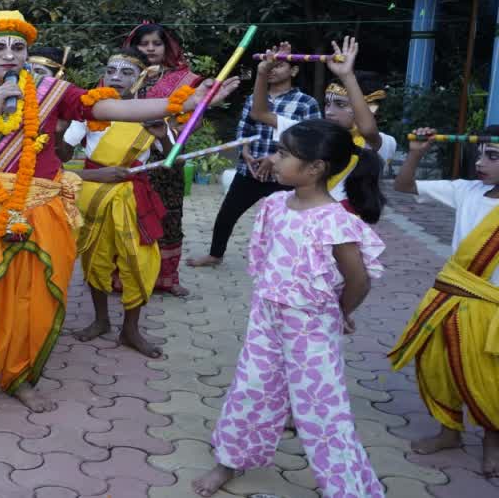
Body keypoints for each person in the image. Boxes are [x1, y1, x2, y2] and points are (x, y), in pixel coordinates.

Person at [0, 10, 239, 417]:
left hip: (42, 210)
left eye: (18, 47)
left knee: (34, 298)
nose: (8, 56)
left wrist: (186, 100)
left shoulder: (52, 90)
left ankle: (21, 376)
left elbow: (113, 111)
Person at [194, 119, 385, 497]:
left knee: (322, 412)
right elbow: (267, 260)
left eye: (283, 153)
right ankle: (230, 460)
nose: (274, 159)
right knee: (251, 389)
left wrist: (340, 312)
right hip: (266, 318)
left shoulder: (335, 222)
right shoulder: (275, 204)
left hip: (312, 327)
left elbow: (358, 279)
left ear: (315, 168)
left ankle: (350, 488)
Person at [389, 125, 499, 478]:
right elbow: (403, 187)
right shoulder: (467, 190)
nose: (481, 162)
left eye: (492, 156)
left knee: (489, 377)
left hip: (491, 308)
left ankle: (491, 443)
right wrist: (417, 152)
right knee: (438, 367)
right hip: (447, 298)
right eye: (480, 153)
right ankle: (449, 432)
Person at [63, 48, 173, 356]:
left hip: (132, 197)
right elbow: (61, 155)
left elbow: (172, 160)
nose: (116, 77)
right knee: (95, 259)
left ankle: (131, 329)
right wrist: (59, 124)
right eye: (111, 70)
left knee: (137, 262)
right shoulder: (90, 109)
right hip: (93, 194)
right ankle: (101, 321)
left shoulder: (150, 111)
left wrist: (162, 135)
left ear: (140, 79)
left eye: (126, 72)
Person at [188, 40, 320, 270]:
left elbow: (311, 140)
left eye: (279, 65)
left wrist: (277, 158)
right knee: (227, 214)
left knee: (287, 221)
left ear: (294, 70)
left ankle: (287, 262)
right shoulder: (254, 99)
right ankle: (215, 255)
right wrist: (245, 153)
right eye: (269, 65)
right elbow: (244, 129)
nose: (272, 69)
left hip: (285, 175)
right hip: (251, 171)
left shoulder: (306, 103)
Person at [250, 37, 394, 209]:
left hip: (349, 224)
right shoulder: (317, 133)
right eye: (327, 103)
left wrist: (347, 76)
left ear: (371, 108)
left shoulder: (385, 142)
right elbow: (259, 113)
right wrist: (262, 73)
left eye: (340, 104)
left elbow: (368, 130)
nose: (329, 111)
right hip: (312, 217)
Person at [126, 23, 205, 296]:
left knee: (169, 217)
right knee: (130, 217)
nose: (149, 48)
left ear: (167, 47)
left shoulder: (184, 80)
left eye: (156, 44)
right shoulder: (122, 73)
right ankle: (124, 276)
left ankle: (167, 278)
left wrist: (166, 134)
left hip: (166, 155)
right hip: (129, 158)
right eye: (143, 43)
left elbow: (193, 119)